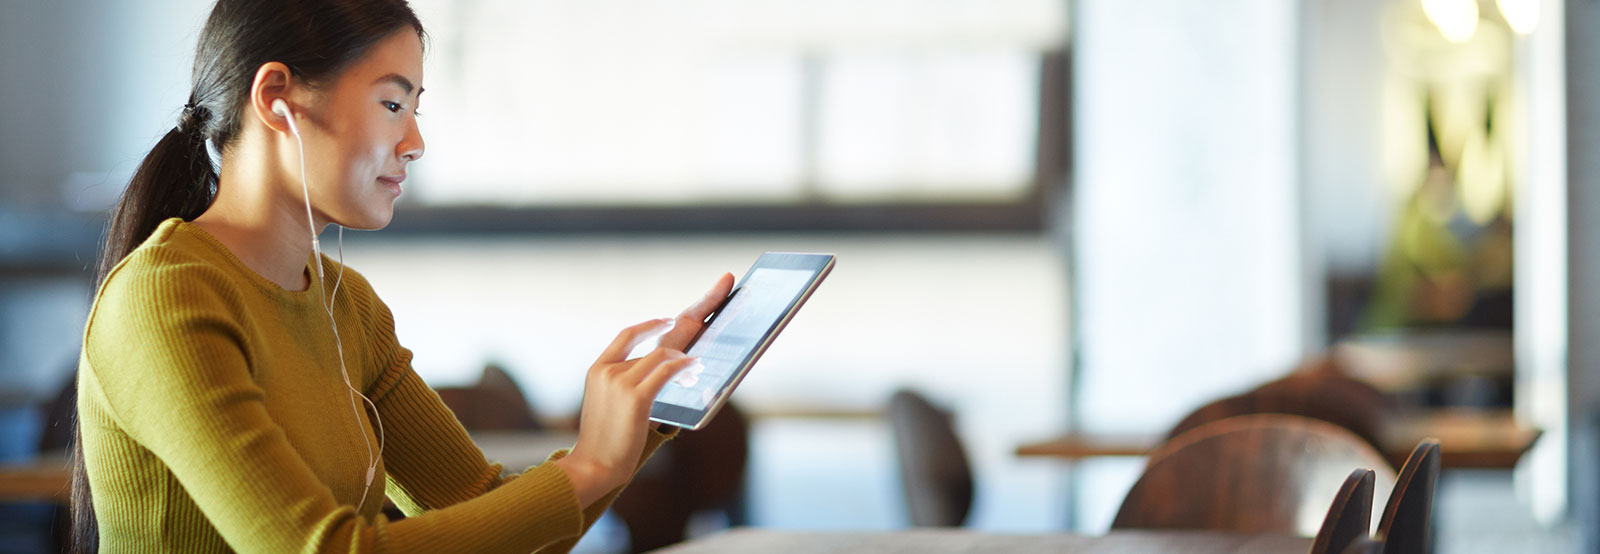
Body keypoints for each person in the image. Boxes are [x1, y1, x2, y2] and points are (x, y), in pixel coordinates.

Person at [69, 1, 732, 552]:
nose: (415, 141)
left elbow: (495, 515)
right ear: (277, 98)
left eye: (417, 108)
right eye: (392, 104)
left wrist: (657, 407)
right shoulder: (166, 297)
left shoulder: (344, 304)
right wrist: (589, 466)